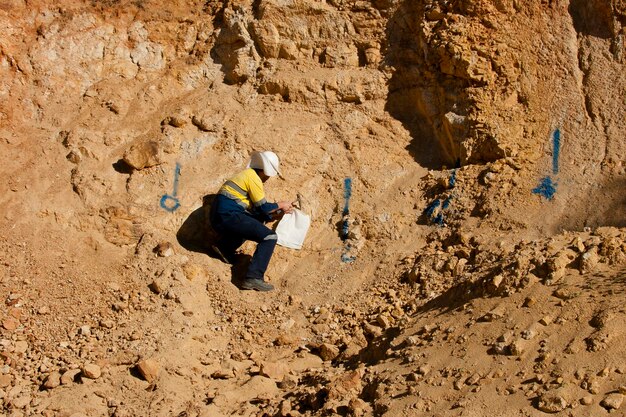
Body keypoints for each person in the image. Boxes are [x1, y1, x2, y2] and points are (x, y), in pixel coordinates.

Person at [209, 151, 293, 291]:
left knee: (257, 220)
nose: (268, 178)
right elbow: (264, 207)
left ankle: (224, 248)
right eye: (268, 174)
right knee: (270, 237)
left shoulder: (245, 175)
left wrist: (276, 214)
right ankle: (253, 278)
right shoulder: (253, 178)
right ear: (264, 171)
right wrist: (281, 204)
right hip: (228, 216)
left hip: (220, 217)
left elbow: (258, 213)